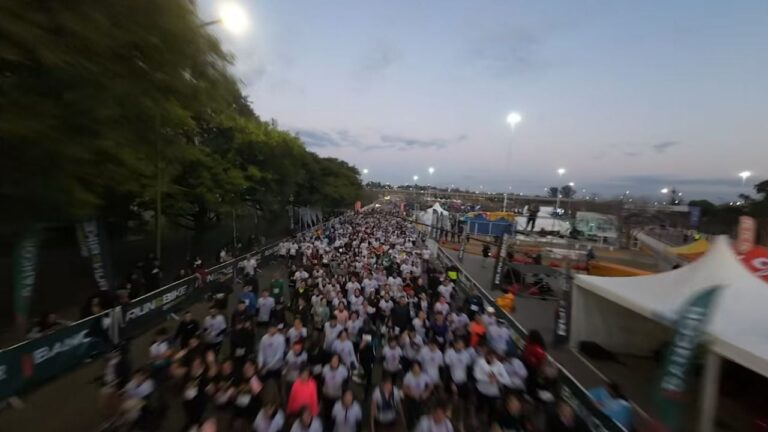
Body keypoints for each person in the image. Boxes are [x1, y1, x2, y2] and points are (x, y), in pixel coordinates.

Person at [402, 361, 433, 429]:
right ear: (412, 369)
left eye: (417, 367)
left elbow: (430, 386)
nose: (416, 369)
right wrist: (412, 394)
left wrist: (426, 394)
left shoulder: (424, 375)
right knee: (411, 414)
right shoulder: (408, 376)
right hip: (411, 398)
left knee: (421, 414)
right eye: (414, 368)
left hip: (422, 397)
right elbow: (404, 389)